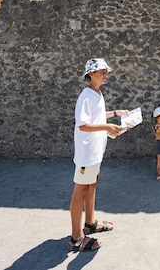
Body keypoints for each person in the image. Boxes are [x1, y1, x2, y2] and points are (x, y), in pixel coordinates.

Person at [68, 58, 130, 252]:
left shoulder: (96, 93)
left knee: (92, 184)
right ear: (91, 74)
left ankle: (90, 223)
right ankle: (76, 238)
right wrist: (108, 127)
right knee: (81, 191)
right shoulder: (86, 95)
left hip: (94, 151)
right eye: (101, 71)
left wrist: (115, 113)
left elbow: (97, 116)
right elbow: (83, 124)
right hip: (86, 153)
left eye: (106, 71)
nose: (106, 74)